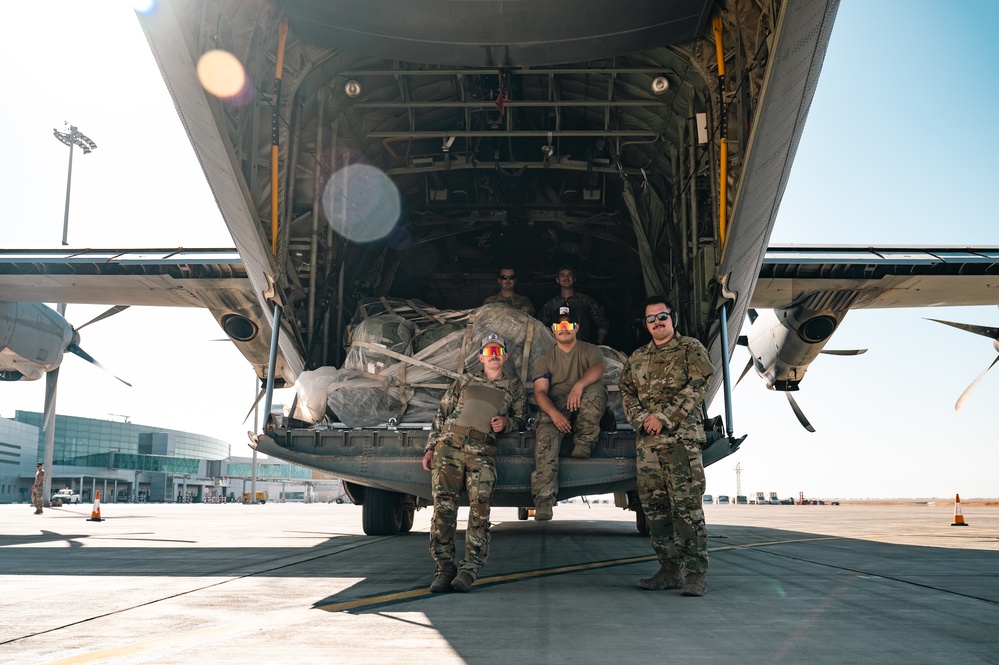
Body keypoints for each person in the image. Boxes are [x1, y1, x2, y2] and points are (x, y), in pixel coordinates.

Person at [619, 296, 715, 597]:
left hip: (681, 443)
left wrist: (663, 416)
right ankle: (668, 570)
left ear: (672, 318)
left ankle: (695, 574)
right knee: (656, 510)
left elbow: (700, 383)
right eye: (651, 319)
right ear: (646, 324)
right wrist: (642, 419)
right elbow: (626, 394)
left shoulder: (690, 349)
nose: (657, 322)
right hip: (648, 446)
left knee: (686, 509)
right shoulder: (636, 358)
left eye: (662, 316)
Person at [422, 333, 527, 593]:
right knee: (443, 509)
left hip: (482, 450)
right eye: (489, 351)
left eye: (498, 351)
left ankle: (469, 569)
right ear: (481, 357)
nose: (494, 355)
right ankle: (444, 568)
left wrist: (507, 423)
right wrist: (431, 448)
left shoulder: (513, 386)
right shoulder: (465, 380)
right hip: (450, 445)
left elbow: (521, 418)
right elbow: (442, 413)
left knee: (480, 511)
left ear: (505, 357)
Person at [530, 304, 606, 520]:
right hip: (556, 404)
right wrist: (554, 414)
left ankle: (584, 442)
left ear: (577, 327)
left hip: (583, 399)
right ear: (553, 329)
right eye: (558, 325)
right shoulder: (545, 359)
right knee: (545, 438)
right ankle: (544, 501)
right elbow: (540, 393)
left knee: (595, 390)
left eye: (568, 324)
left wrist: (579, 386)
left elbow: (599, 368)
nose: (563, 328)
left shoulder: (589, 350)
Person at [537, 266, 609, 344]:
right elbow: (540, 327)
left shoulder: (585, 300)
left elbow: (603, 321)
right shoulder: (551, 304)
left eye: (569, 275)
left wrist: (599, 342)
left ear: (574, 279)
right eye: (562, 275)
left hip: (583, 348)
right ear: (557, 280)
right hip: (559, 350)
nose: (566, 278)